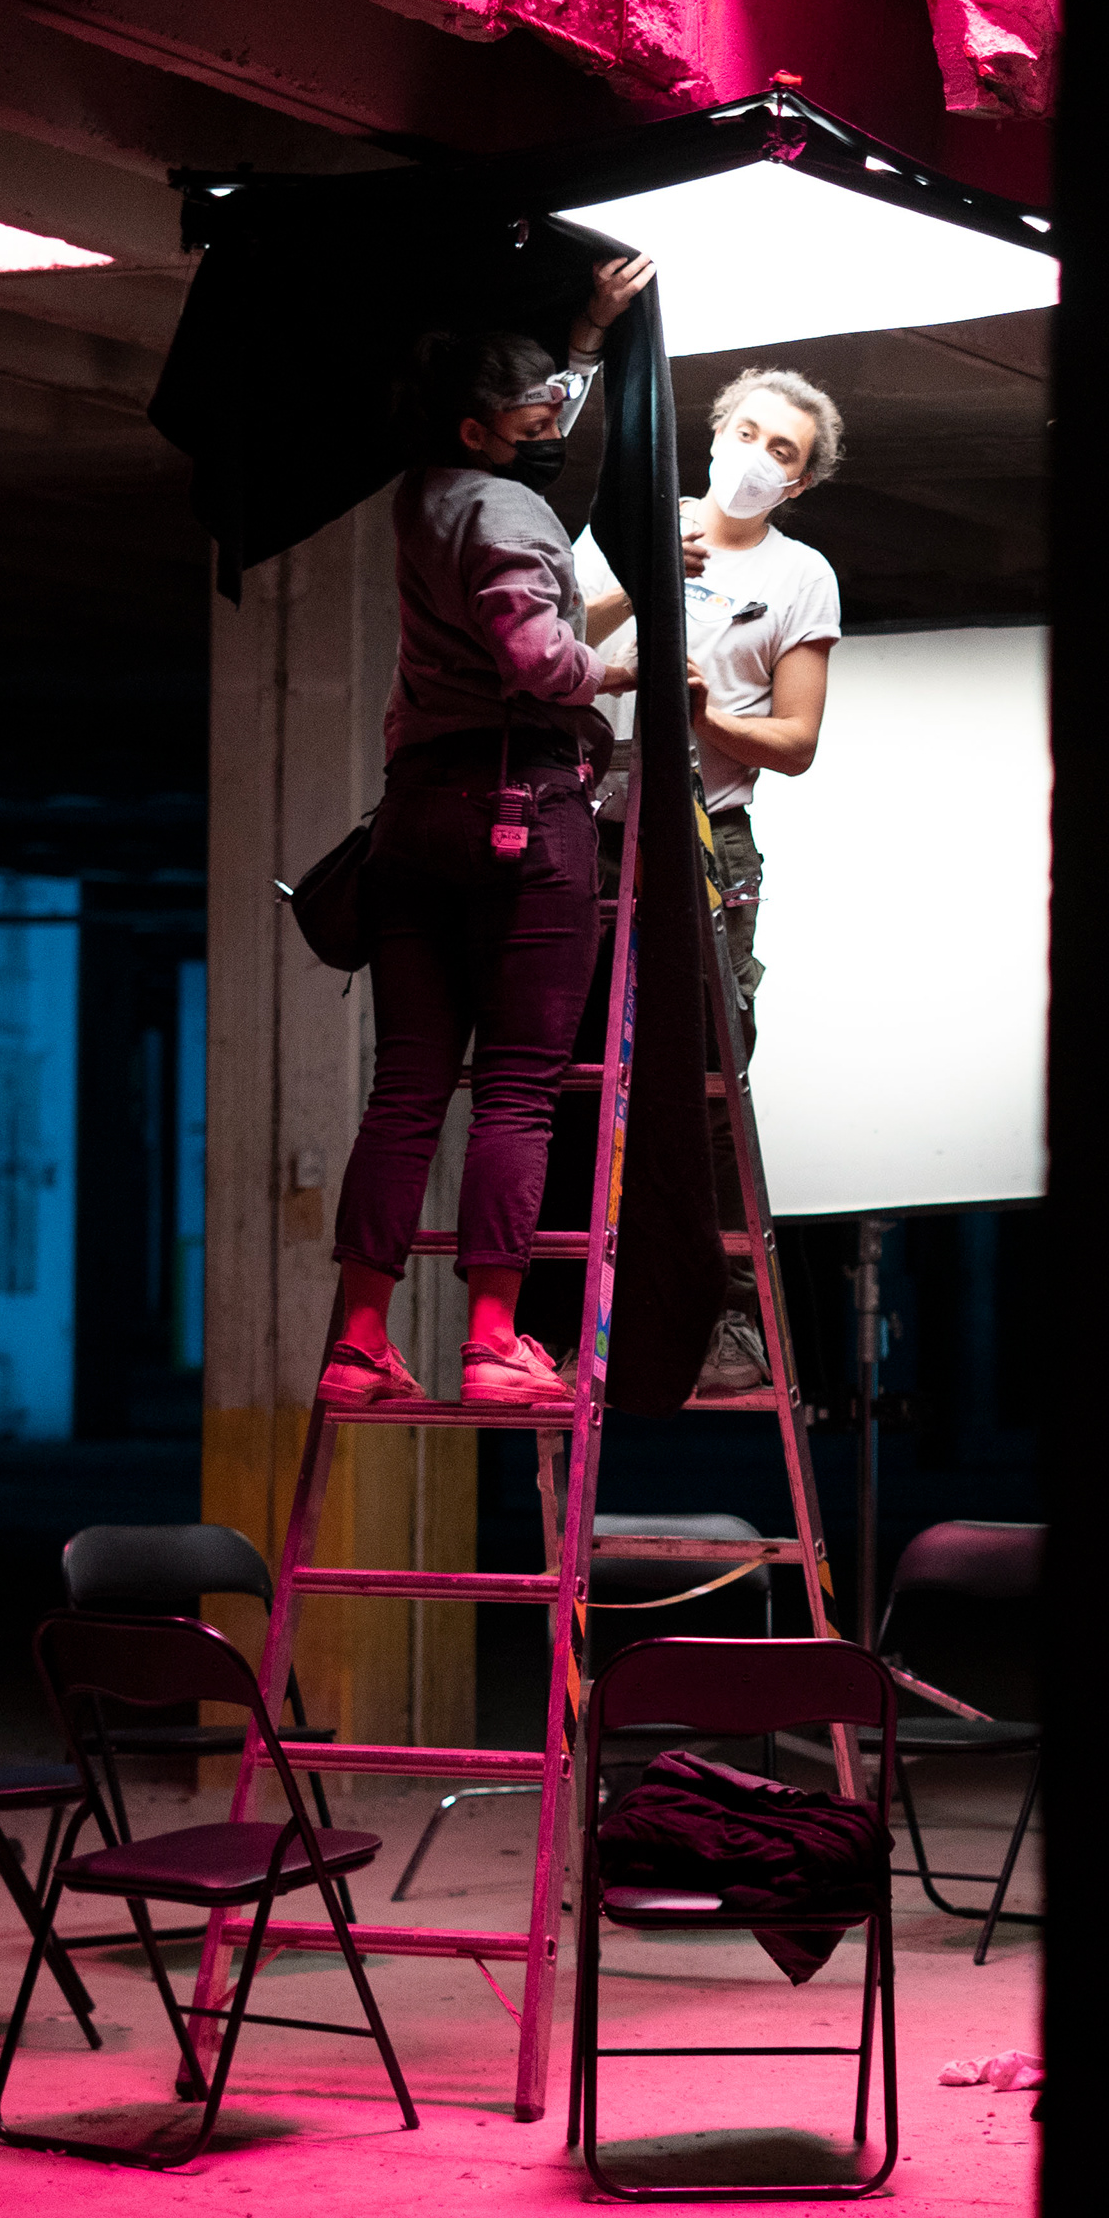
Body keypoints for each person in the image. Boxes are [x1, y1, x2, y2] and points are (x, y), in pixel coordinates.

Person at [318, 252, 658, 1411]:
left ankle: (358, 1343)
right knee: (515, 1086)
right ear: (479, 424)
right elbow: (533, 658)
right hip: (520, 808)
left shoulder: (424, 492)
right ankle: (495, 1341)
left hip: (414, 812)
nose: (547, 423)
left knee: (407, 1082)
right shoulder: (508, 507)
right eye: (529, 413)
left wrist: (585, 338)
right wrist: (615, 669)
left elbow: (551, 469)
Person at [577, 365, 848, 1392]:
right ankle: (572, 1321)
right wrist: (636, 582)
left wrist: (704, 720)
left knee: (705, 1087)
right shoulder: (627, 523)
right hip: (592, 826)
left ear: (798, 486)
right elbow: (544, 643)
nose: (756, 458)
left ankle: (726, 1327)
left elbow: (796, 739)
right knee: (576, 1079)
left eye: (782, 453)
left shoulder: (800, 576)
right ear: (714, 432)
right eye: (748, 433)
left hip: (706, 837)